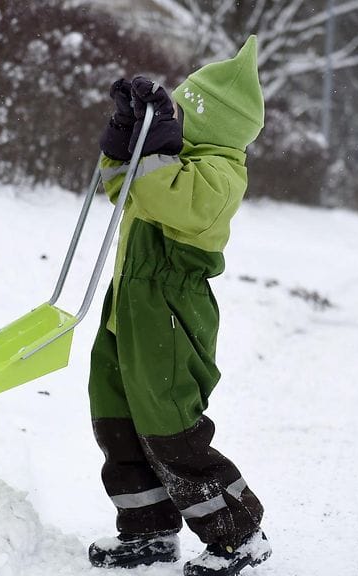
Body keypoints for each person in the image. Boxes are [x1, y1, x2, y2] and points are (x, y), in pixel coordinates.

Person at [86, 36, 270, 576]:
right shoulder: (170, 159)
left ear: (218, 126)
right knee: (115, 416)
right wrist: (124, 138)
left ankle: (238, 534)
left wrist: (157, 145)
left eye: (189, 112)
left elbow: (163, 192)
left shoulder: (220, 175)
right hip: (128, 304)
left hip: (170, 310)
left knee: (171, 428)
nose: (181, 118)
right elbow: (121, 186)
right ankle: (148, 530)